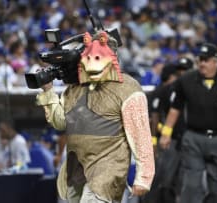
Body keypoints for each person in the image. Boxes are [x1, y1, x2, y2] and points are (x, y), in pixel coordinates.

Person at [36, 31, 155, 202]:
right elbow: (61, 123)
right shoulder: (74, 88)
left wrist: (144, 177)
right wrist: (48, 91)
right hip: (77, 170)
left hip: (108, 169)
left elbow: (141, 134)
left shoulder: (127, 88)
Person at [160, 42, 217, 203]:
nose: (202, 63)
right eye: (200, 59)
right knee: (192, 184)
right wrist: (166, 134)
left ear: (216, 62)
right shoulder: (186, 80)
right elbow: (175, 109)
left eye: (206, 60)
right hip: (193, 138)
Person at [143, 57, 193, 203]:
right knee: (164, 179)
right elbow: (155, 115)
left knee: (184, 180)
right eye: (180, 70)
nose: (182, 73)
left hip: (191, 139)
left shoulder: (197, 89)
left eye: (186, 70)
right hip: (171, 140)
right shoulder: (169, 89)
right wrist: (153, 142)